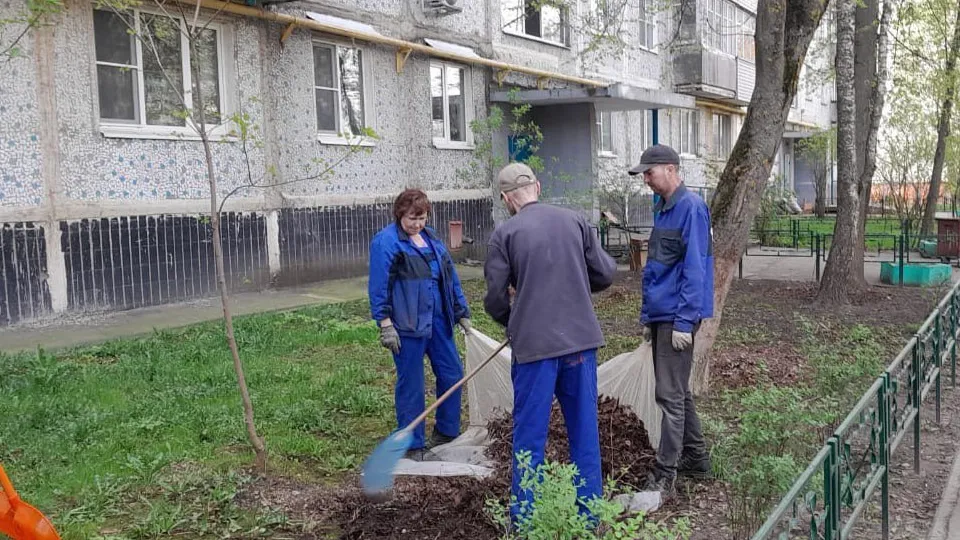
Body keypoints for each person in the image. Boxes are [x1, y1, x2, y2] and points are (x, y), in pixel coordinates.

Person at [483, 162, 617, 522]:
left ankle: (525, 522)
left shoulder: (505, 234)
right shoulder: (575, 221)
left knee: (529, 437)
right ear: (537, 187)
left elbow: (495, 299)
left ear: (507, 198)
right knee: (585, 432)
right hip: (579, 344)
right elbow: (605, 273)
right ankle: (589, 519)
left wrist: (515, 321)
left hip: (535, 351)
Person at [628, 144, 714, 497]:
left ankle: (667, 473)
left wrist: (684, 321)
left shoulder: (690, 208)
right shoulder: (664, 209)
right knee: (678, 392)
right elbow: (657, 270)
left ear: (669, 168)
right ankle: (697, 460)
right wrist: (649, 317)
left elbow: (696, 268)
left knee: (668, 396)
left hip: (679, 315)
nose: (645, 179)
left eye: (649, 172)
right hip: (664, 314)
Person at [368, 189, 473, 462]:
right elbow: (379, 287)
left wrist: (461, 311)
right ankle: (412, 443)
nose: (417, 224)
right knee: (412, 383)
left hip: (439, 321)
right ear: (400, 214)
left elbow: (450, 278)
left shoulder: (432, 238)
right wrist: (384, 324)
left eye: (422, 218)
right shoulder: (387, 242)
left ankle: (447, 432)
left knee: (452, 373)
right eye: (412, 218)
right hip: (407, 325)